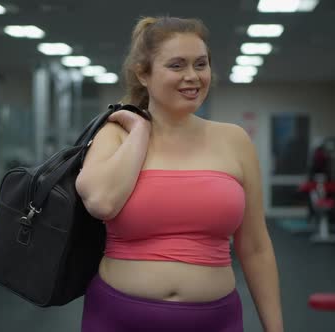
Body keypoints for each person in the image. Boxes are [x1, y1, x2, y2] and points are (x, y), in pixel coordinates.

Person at [75, 16, 283, 332]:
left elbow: (255, 246)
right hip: (119, 318)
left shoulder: (235, 140)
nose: (192, 76)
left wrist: (275, 328)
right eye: (177, 65)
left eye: (201, 64)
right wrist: (140, 130)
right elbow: (101, 203)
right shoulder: (115, 134)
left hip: (216, 320)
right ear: (143, 74)